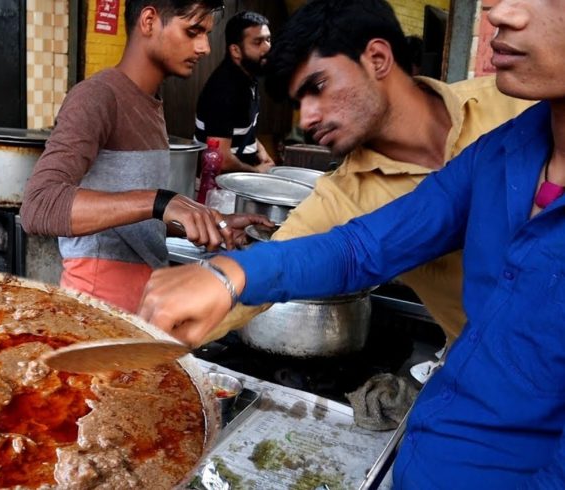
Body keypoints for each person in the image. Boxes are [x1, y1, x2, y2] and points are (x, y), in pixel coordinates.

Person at [139, 0, 565, 486]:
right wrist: (222, 278)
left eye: (319, 87)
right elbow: (360, 248)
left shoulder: (506, 103)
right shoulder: (503, 150)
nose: (498, 13)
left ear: (378, 59)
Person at [204, 0, 533, 347]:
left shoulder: (515, 107)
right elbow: (266, 273)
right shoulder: (342, 198)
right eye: (300, 103)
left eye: (317, 87)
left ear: (377, 58)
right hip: (498, 380)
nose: (307, 119)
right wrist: (160, 327)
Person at [20, 0, 271, 313]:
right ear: (149, 21)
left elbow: (136, 221)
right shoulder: (97, 97)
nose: (205, 47)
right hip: (99, 310)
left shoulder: (151, 104)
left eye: (206, 33)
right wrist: (160, 201)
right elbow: (39, 206)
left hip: (144, 305)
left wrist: (211, 222)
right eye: (193, 31)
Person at [194, 11, 275, 173]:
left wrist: (259, 148)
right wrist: (258, 172)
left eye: (268, 39)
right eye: (257, 42)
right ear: (236, 51)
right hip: (219, 187)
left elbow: (241, 128)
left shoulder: (248, 75)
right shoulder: (223, 89)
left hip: (239, 177)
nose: (268, 48)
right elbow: (220, 160)